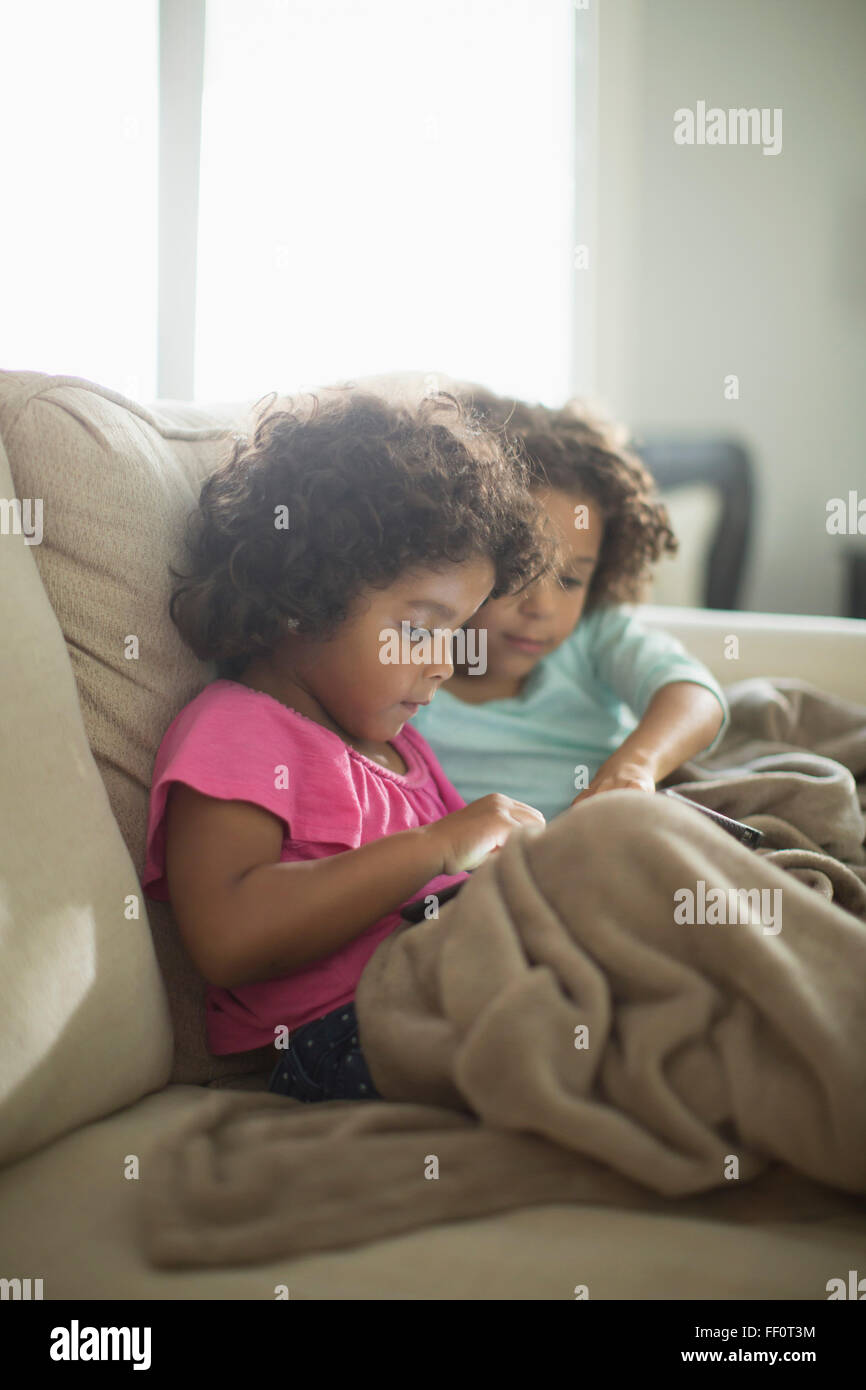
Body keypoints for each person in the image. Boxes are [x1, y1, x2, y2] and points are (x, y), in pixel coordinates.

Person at [140, 387, 549, 1103]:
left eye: (457, 632)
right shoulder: (238, 727)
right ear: (305, 599)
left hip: (457, 980)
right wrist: (437, 846)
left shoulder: (404, 752)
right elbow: (228, 934)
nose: (444, 663)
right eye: (422, 630)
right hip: (343, 1033)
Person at [411, 387, 729, 824]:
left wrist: (636, 764)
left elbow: (695, 697)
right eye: (518, 574)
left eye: (570, 579)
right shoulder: (401, 684)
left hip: (609, 839)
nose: (541, 607)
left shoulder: (595, 635)